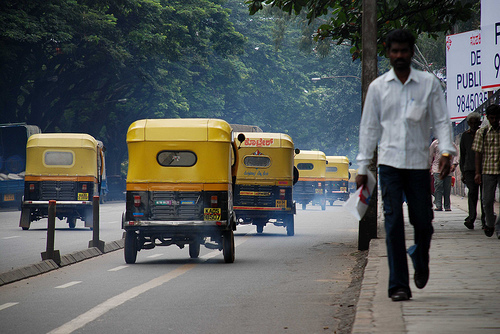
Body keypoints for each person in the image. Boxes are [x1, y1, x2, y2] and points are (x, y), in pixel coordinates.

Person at [356, 29, 456, 302]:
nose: (399, 56)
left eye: (404, 50)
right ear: (388, 52)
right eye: (394, 51)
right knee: (392, 225)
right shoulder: (378, 88)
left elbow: (441, 121)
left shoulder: (428, 84)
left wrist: (447, 151)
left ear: (412, 52)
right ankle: (398, 285)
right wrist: (362, 167)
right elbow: (368, 129)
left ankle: (420, 258)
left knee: (423, 222)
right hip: (389, 167)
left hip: (417, 166)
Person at [472, 104, 500, 238]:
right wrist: (477, 173)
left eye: (497, 118)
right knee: (487, 200)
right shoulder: (481, 132)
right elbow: (478, 153)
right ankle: (490, 223)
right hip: (488, 170)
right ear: (488, 118)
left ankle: (499, 227)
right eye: (492, 118)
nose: (495, 121)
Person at [459, 112, 485, 229]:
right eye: (471, 123)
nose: (473, 125)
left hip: (485, 169)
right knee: (472, 193)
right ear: (468, 123)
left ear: (479, 123)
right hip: (469, 169)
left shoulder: (484, 133)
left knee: (485, 196)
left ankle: (486, 220)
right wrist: (463, 172)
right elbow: (463, 155)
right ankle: (471, 218)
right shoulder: (465, 136)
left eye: (476, 123)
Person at [429, 138, 458, 211]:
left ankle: (447, 206)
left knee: (447, 188)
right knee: (438, 186)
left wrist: (454, 164)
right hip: (437, 168)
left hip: (448, 169)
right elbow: (429, 155)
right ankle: (438, 205)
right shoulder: (435, 143)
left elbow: (456, 154)